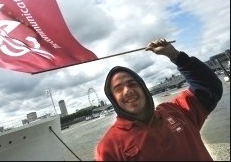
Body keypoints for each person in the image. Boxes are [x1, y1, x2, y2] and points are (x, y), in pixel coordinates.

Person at [95, 38, 223, 161]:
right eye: (118, 89)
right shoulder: (108, 147)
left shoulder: (178, 110)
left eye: (133, 84)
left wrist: (174, 55)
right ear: (113, 100)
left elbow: (210, 87)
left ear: (144, 89)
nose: (127, 91)